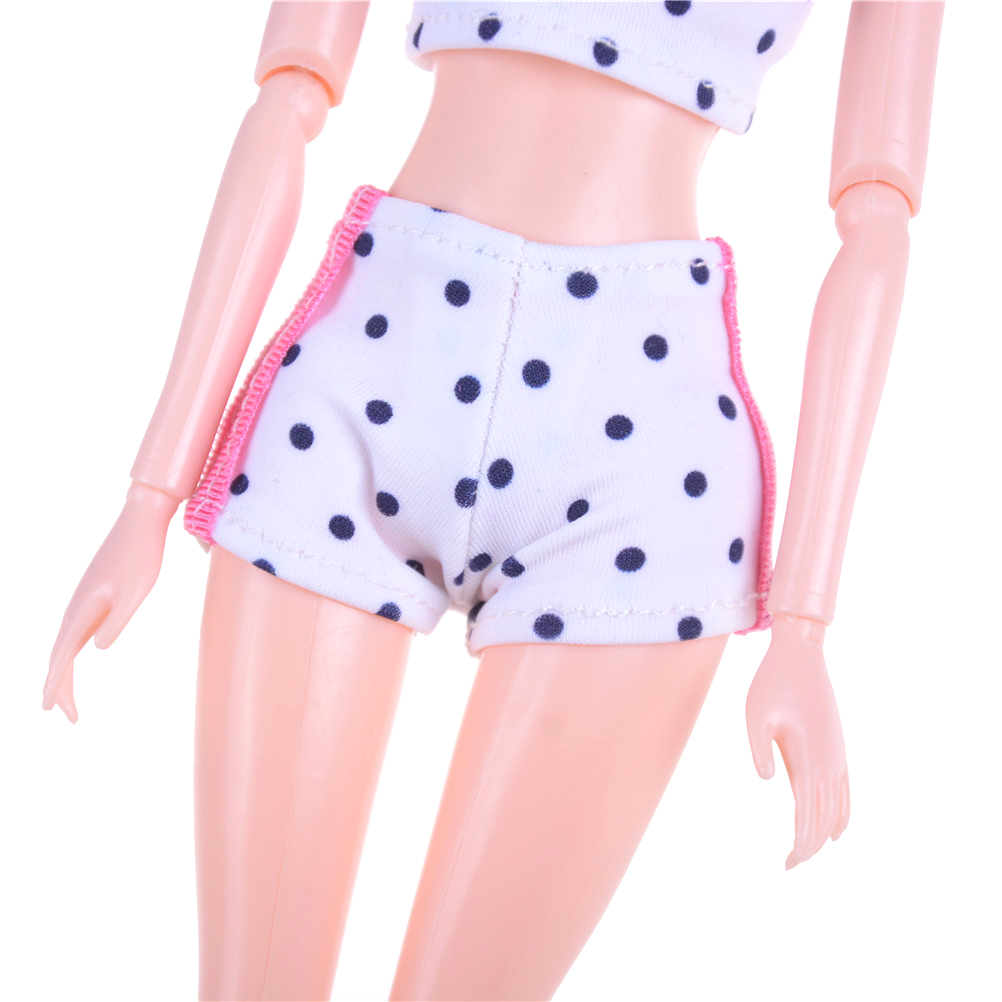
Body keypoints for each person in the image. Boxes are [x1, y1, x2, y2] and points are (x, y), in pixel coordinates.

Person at [44, 3, 943, 998]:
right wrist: (149, 493)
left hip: (639, 441)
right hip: (372, 368)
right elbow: (288, 95)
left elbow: (878, 222)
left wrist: (805, 625)